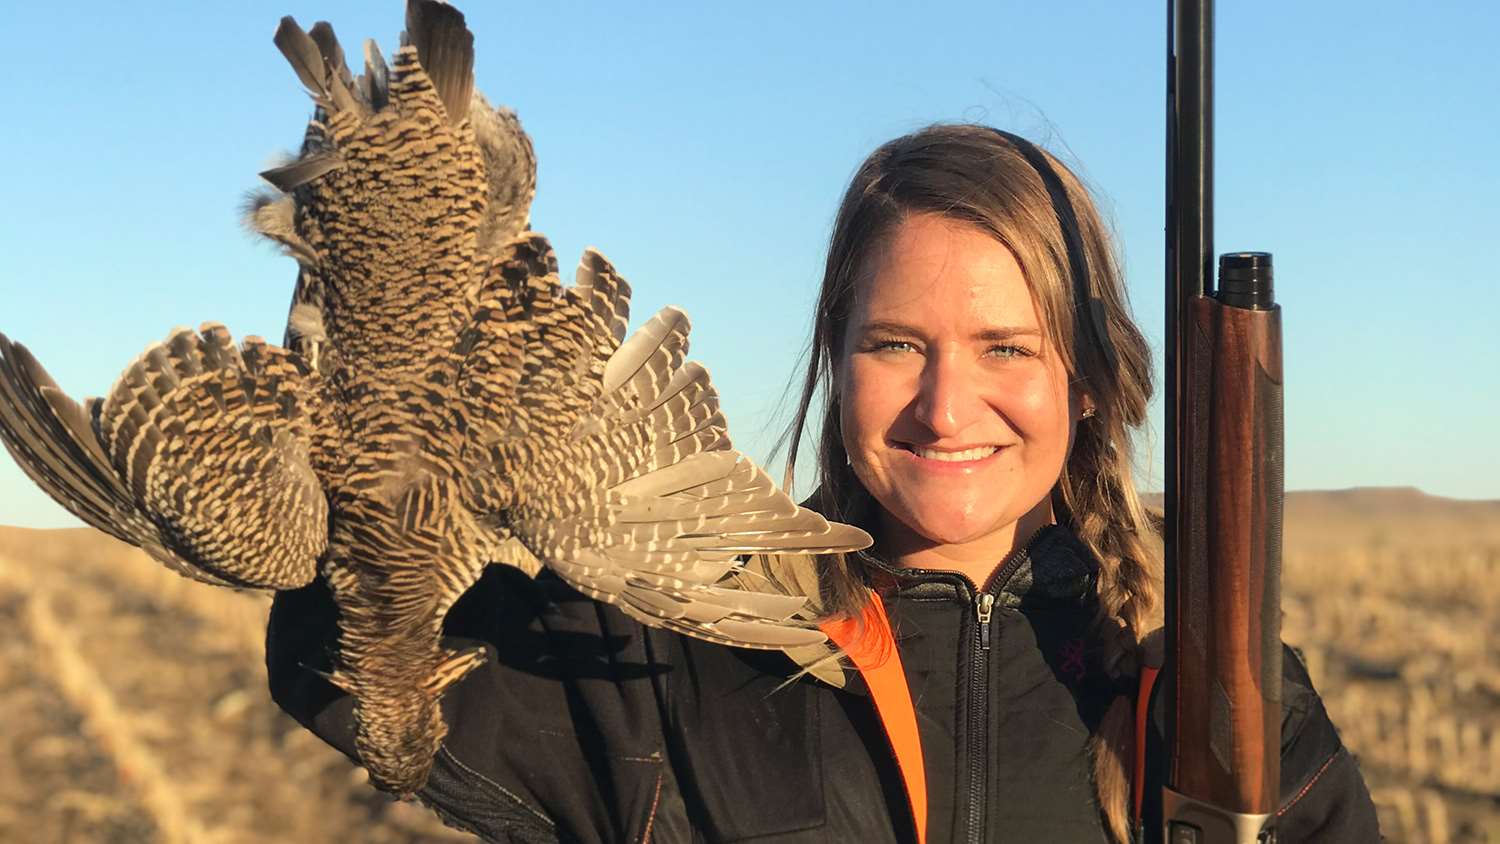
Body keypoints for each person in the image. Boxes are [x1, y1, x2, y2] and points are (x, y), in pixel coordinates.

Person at [266, 124, 1380, 843]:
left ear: (1088, 381)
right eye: (898, 345)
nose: (946, 409)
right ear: (835, 361)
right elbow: (334, 648)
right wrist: (380, 295)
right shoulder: (668, 656)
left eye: (1007, 347)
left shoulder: (1213, 711)